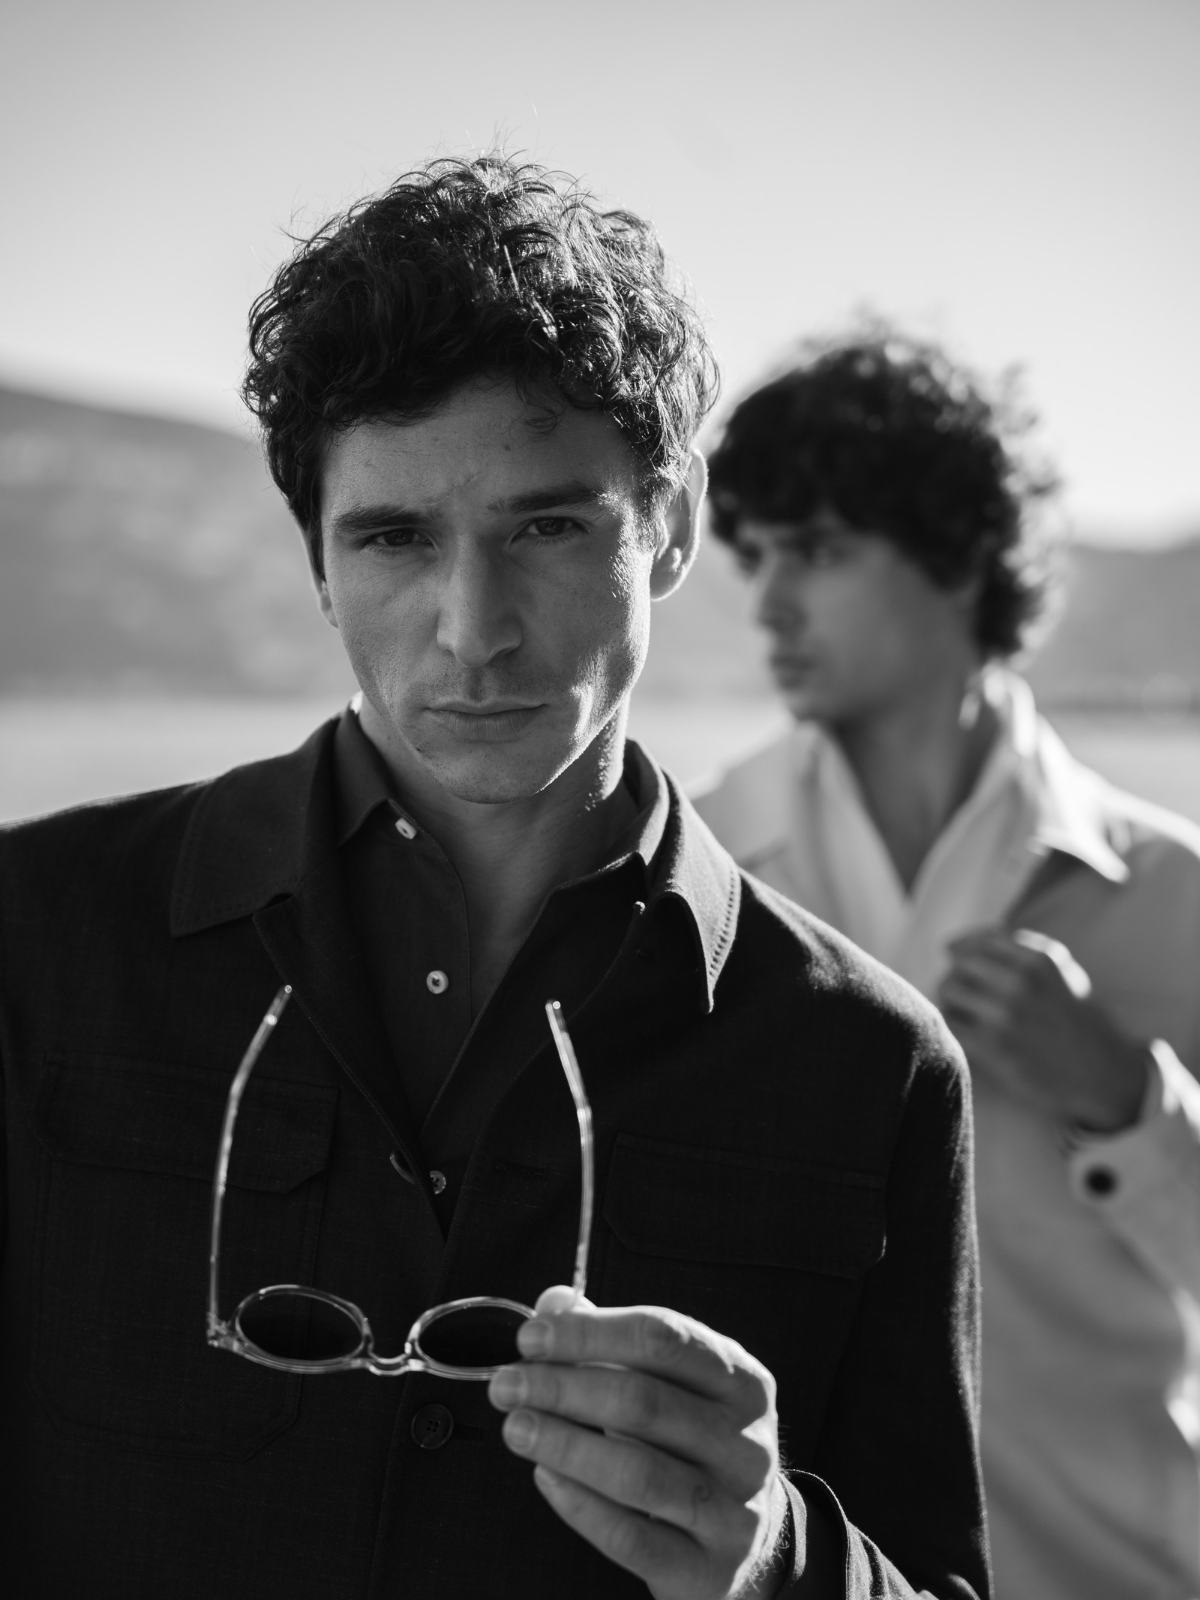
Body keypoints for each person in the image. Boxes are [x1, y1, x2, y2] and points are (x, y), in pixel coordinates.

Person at [0, 165, 988, 1600]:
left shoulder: (873, 1064)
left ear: (670, 525)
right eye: (394, 538)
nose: (474, 632)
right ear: (317, 561)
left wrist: (779, 1557)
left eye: (547, 527)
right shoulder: (35, 938)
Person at [693, 331, 1200, 1600]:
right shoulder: (691, 885)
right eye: (758, 556)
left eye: (818, 551)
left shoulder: (1177, 895)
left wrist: (1126, 1106)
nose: (770, 604)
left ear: (963, 555)